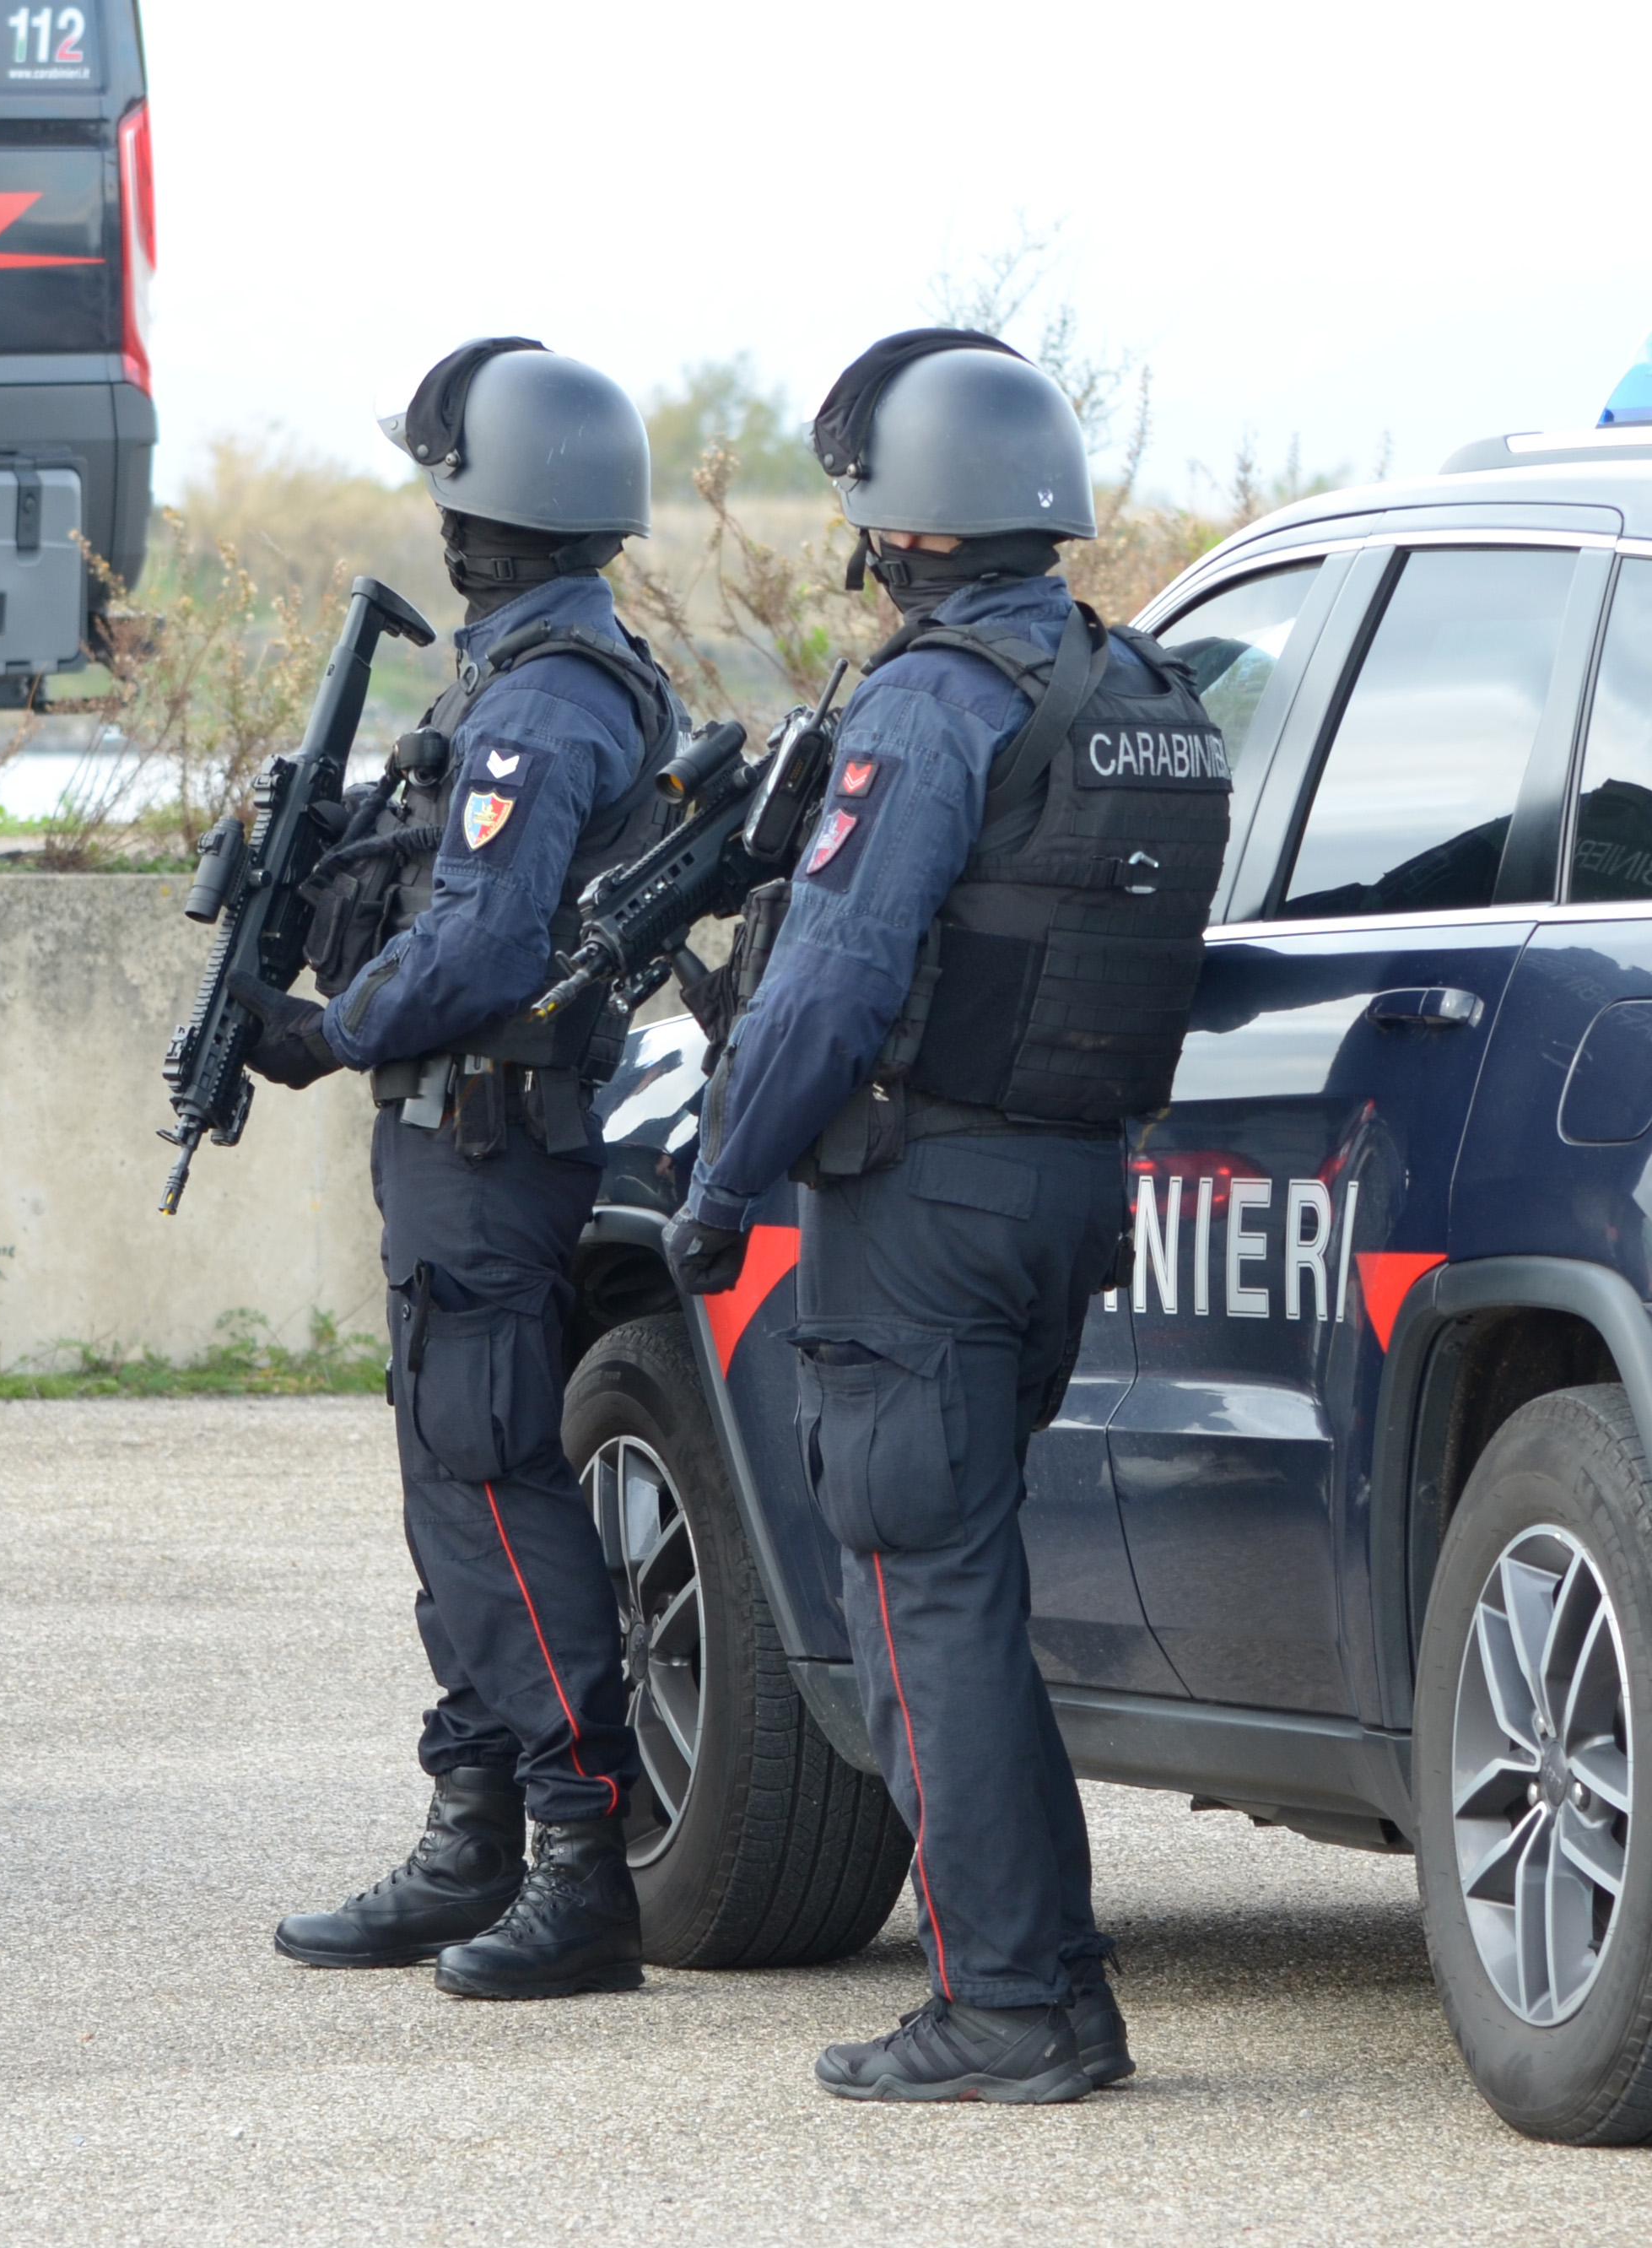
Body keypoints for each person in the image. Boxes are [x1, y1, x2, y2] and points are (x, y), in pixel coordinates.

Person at [665, 332, 1231, 2103]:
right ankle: (1046, 1985)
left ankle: (1007, 2004)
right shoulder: (1141, 687)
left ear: (898, 517)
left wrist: (721, 1182)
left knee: (923, 1600)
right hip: (1071, 1185)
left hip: (924, 1204)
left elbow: (833, 987)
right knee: (964, 1587)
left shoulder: (932, 701)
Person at [248, 340, 673, 2001]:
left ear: (487, 511)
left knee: (491, 1478)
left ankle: (577, 1861)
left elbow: (487, 942)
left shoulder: (548, 699)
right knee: (453, 1479)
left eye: (447, 493)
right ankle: (475, 1828)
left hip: (491, 1136)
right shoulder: (520, 676)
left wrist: (332, 1028)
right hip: (463, 1133)